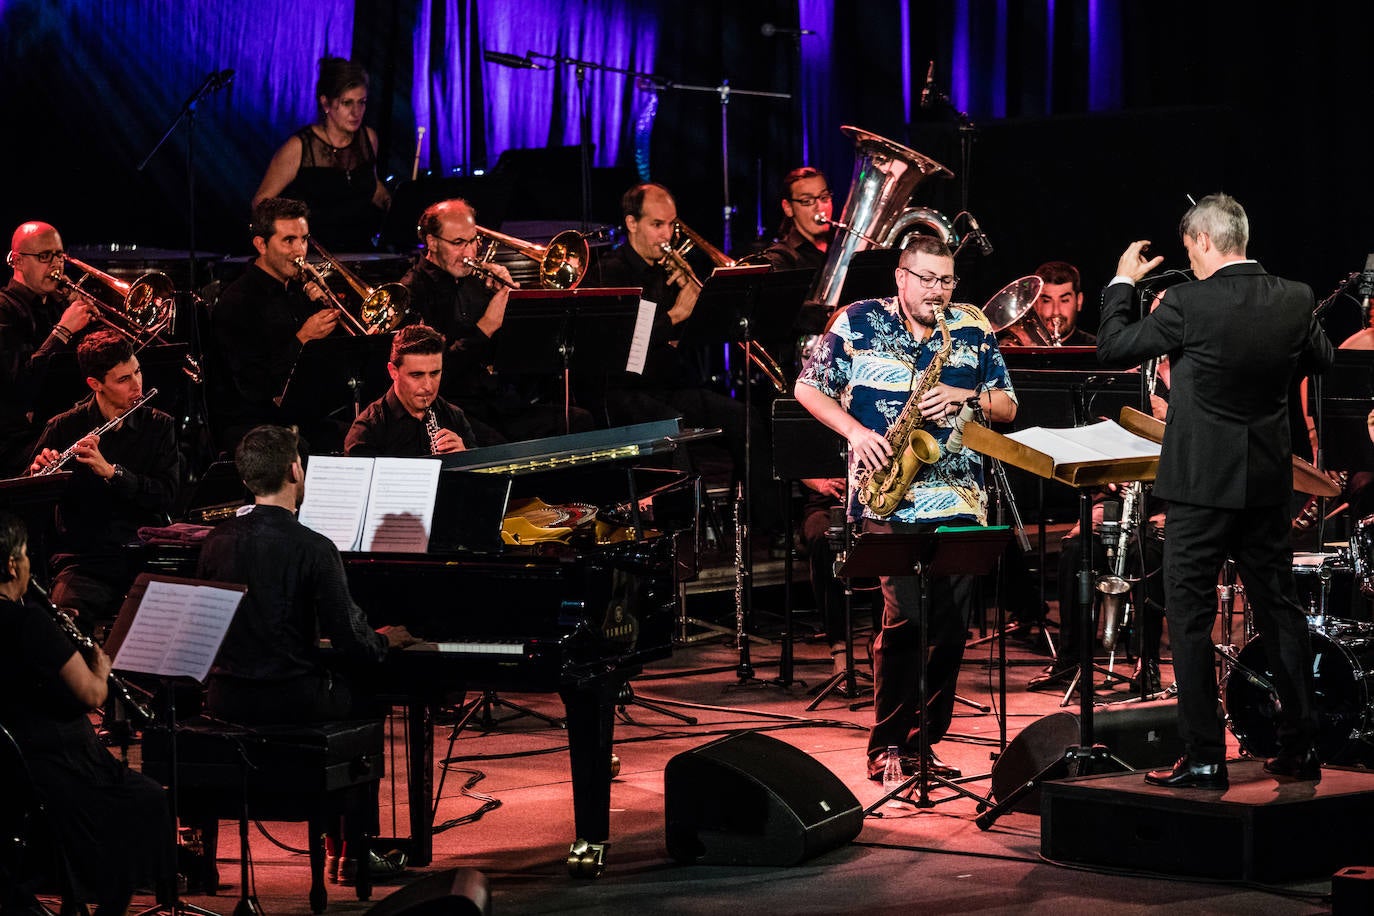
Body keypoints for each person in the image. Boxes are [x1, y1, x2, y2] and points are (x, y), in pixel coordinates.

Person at [1098, 193, 1334, 789]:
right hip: (1264, 487)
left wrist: (1122, 282)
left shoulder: (1186, 302)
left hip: (1200, 490)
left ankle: (1205, 754)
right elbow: (1322, 358)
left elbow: (1114, 346)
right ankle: (1301, 745)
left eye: (1189, 250)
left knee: (1192, 620)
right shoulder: (1295, 296)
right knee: (1280, 611)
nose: (1191, 260)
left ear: (1203, 241)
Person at [795, 235, 1017, 781]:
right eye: (926, 279)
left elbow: (1008, 405)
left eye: (946, 281)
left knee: (951, 628)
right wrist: (855, 432)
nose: (937, 291)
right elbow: (807, 387)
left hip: (961, 497)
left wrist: (967, 397)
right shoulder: (857, 321)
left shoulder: (970, 327)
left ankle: (924, 743)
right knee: (906, 621)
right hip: (887, 493)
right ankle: (886, 741)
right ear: (901, 276)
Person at [195, 424, 417, 880]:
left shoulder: (215, 542)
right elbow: (352, 640)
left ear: (248, 478)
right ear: (296, 470)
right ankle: (354, 852)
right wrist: (385, 640)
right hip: (292, 701)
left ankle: (204, 859)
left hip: (225, 700)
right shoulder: (315, 548)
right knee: (366, 697)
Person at [0, 511, 172, 913]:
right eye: (25, 556)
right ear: (11, 564)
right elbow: (92, 694)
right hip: (52, 771)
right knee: (146, 799)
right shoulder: (30, 623)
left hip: (12, 767)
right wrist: (100, 664)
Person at [592, 182, 780, 535]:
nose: (667, 235)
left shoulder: (668, 270)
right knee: (673, 426)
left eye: (671, 225)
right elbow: (631, 348)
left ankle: (763, 528)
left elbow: (689, 340)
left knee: (744, 416)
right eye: (657, 225)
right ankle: (685, 535)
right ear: (632, 223)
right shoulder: (612, 271)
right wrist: (678, 314)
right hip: (625, 391)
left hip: (670, 384)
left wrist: (697, 308)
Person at [400, 199, 592, 442]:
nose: (469, 253)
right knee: (500, 444)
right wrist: (486, 326)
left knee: (577, 421)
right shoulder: (412, 292)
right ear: (432, 242)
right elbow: (437, 376)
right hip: (451, 411)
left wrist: (515, 310)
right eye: (458, 243)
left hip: (496, 402)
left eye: (473, 241)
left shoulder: (479, 280)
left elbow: (518, 355)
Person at [28, 330, 179, 628]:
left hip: (145, 554)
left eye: (137, 371)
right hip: (85, 560)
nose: (137, 385)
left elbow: (168, 495)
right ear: (95, 384)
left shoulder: (160, 426)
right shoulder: (63, 427)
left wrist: (113, 473)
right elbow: (25, 511)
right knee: (63, 626)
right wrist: (39, 482)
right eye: (123, 380)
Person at [208, 197, 341, 453]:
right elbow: (251, 386)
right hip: (254, 422)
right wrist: (302, 339)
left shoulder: (299, 292)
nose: (300, 250)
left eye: (303, 239)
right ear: (261, 244)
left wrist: (324, 304)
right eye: (288, 240)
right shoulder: (237, 301)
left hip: (300, 415)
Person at [253, 57, 390, 252]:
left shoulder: (368, 138)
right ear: (325, 103)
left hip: (361, 252)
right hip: (314, 256)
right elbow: (261, 202)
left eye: (362, 102)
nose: (356, 112)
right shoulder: (299, 147)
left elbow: (371, 185)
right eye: (346, 103)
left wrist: (395, 206)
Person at [0, 221, 94, 476]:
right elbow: (18, 385)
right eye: (44, 256)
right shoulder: (5, 309)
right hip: (16, 441)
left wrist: (90, 328)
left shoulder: (56, 305)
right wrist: (63, 331)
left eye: (59, 255)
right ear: (17, 261)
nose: (56, 264)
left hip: (57, 427)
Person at [345, 324, 476, 456]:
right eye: (417, 375)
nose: (428, 387)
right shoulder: (367, 431)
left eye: (434, 373)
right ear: (393, 372)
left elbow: (479, 474)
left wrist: (464, 459)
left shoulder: (455, 417)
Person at [758, 166, 834, 271]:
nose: (820, 208)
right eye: (807, 201)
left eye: (824, 198)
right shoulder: (781, 259)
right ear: (788, 208)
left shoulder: (841, 242)